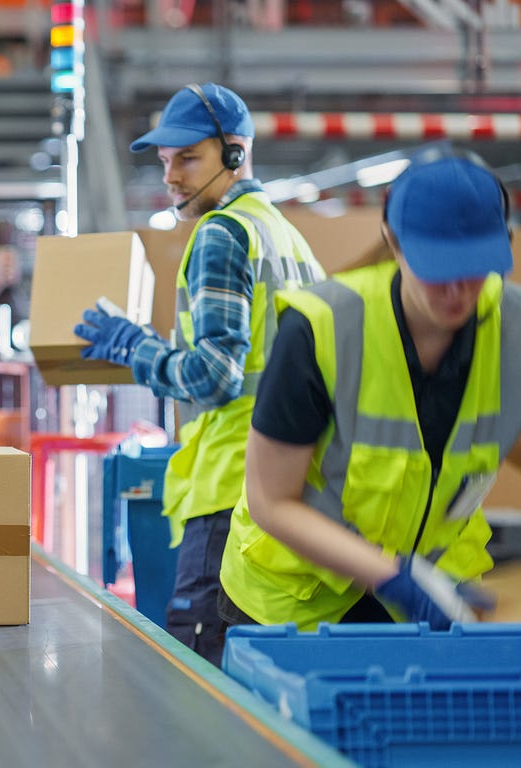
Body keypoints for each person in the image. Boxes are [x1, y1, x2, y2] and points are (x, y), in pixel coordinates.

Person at [219, 150, 521, 634]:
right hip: (295, 604)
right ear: (392, 238)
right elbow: (271, 500)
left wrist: (412, 583)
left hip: (426, 595)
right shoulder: (321, 329)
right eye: (437, 269)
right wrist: (393, 577)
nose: (457, 291)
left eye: (474, 268)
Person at [73, 83, 324, 665]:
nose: (172, 178)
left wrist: (136, 349)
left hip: (228, 491)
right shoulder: (287, 236)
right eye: (166, 162)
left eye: (189, 158)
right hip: (285, 487)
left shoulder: (222, 233)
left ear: (235, 153)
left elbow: (214, 376)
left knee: (200, 676)